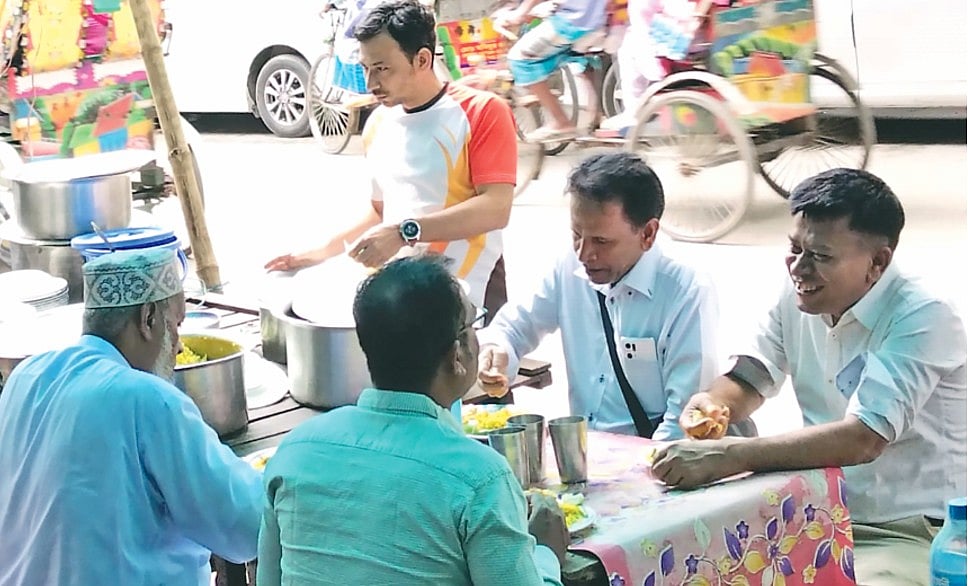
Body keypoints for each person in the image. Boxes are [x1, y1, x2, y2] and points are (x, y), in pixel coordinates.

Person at [651, 168, 967, 585]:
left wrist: (730, 456)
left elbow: (864, 437)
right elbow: (752, 373)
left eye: (820, 256)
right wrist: (715, 405)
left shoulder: (923, 316)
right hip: (815, 511)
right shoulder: (800, 294)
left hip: (909, 530)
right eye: (793, 248)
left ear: (878, 262)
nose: (799, 268)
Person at [257, 254, 568, 585]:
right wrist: (546, 554)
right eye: (474, 324)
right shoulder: (479, 479)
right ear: (457, 354)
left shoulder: (295, 451)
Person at [0, 249, 263, 586]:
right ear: (148, 318)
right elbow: (243, 527)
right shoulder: (148, 399)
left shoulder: (27, 375)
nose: (179, 345)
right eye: (176, 324)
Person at [264, 0, 517, 322]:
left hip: (468, 292)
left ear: (422, 59)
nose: (371, 83)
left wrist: (404, 232)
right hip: (400, 289)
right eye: (366, 68)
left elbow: (496, 207)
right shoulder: (379, 124)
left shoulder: (481, 112)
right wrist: (320, 251)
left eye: (382, 68)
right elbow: (380, 211)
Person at [477, 152, 726, 440]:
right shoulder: (568, 269)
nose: (584, 254)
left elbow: (683, 421)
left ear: (648, 233)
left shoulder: (687, 293)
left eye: (601, 242)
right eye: (576, 235)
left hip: (651, 456)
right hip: (586, 452)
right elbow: (514, 327)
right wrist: (497, 351)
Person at [505, 0, 609, 142]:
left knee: (520, 58)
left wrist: (521, 12)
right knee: (581, 62)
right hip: (601, 19)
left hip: (574, 21)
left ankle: (561, 122)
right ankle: (596, 118)